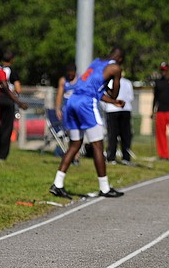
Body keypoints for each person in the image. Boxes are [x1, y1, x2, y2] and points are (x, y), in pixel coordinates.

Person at [49, 48, 126, 199]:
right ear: (120, 59)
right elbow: (113, 92)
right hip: (86, 103)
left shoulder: (97, 62)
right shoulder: (115, 68)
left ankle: (57, 184)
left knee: (75, 144)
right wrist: (114, 94)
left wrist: (112, 101)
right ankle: (104, 188)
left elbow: (95, 90)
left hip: (72, 101)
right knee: (97, 145)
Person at [0, 50, 21, 160]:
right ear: (12, 60)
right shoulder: (12, 71)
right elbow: (18, 88)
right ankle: (2, 154)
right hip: (8, 100)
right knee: (7, 127)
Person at [104, 73, 134, 165]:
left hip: (118, 109)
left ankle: (118, 157)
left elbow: (130, 97)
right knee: (118, 135)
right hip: (119, 109)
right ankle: (118, 157)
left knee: (118, 134)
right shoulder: (111, 82)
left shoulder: (125, 82)